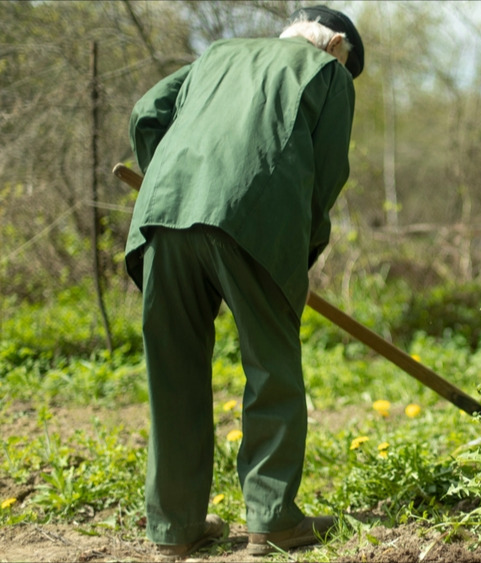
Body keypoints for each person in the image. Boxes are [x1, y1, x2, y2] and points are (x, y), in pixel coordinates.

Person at [123, 6, 363, 559]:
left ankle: (174, 529)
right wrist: (299, 253)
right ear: (335, 47)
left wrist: (169, 178)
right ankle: (272, 520)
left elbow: (146, 113)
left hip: (162, 214)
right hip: (256, 221)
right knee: (270, 366)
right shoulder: (327, 75)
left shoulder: (218, 54)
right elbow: (325, 179)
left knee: (174, 370)